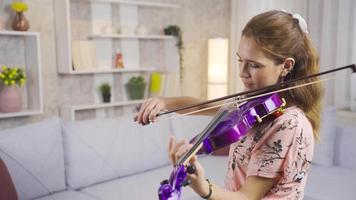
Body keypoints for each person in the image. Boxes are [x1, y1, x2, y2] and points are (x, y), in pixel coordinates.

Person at [135, 10, 323, 200]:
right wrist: (164, 102)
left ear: (286, 66)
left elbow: (247, 197)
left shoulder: (289, 124)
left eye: (254, 65)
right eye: (240, 60)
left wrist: (204, 188)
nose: (242, 73)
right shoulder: (257, 103)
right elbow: (202, 106)